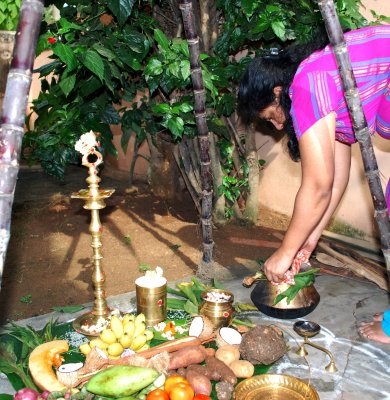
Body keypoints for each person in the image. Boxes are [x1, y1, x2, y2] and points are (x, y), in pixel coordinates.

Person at [237, 25, 390, 344]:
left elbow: (318, 186)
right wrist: (309, 241)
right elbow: (334, 181)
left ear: (278, 92)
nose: (279, 125)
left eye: (271, 116)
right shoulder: (323, 83)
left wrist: (284, 252)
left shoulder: (306, 85)